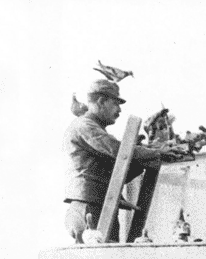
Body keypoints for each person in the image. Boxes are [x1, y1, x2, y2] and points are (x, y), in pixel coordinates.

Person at [63, 79, 177, 243]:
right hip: (89, 206)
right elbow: (118, 150)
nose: (119, 110)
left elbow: (117, 169)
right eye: (116, 103)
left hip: (100, 205)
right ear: (101, 101)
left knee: (109, 258)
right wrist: (157, 152)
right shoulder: (85, 126)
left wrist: (147, 157)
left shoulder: (91, 127)